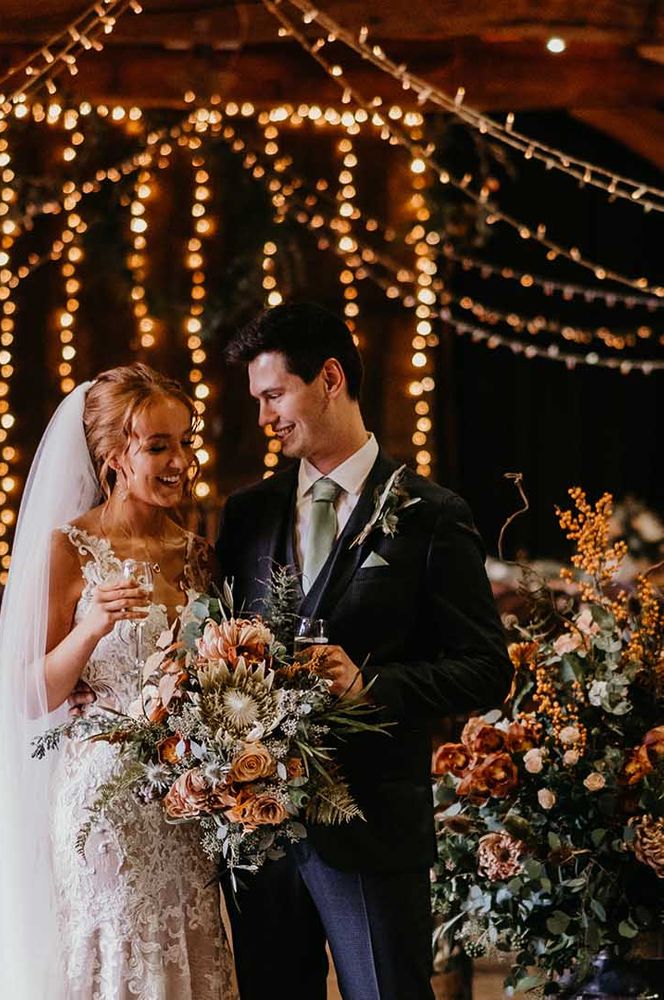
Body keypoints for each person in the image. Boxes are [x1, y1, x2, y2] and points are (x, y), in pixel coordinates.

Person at [216, 302, 513, 1000]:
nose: (264, 419)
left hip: (374, 832)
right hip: (261, 838)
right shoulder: (246, 515)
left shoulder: (430, 515)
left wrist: (371, 685)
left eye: (272, 396)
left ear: (327, 378)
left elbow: (488, 669)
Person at [0, 363, 236, 1000]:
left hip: (184, 800)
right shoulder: (69, 547)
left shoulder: (197, 554)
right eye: (158, 446)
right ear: (114, 456)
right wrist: (89, 627)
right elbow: (27, 694)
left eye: (185, 442)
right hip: (102, 807)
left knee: (188, 951)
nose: (179, 461)